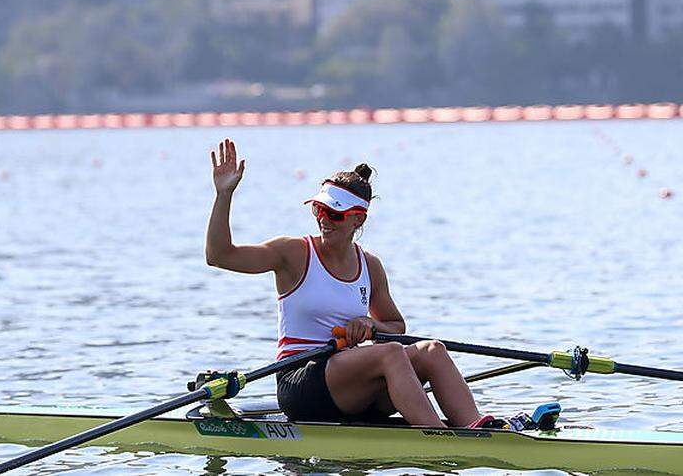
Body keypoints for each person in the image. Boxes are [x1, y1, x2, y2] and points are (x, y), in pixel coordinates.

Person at [205, 138, 496, 428]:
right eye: (319, 210)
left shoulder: (370, 265)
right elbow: (219, 256)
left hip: (351, 384)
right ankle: (438, 437)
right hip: (300, 382)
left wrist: (371, 326)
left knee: (433, 350)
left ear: (357, 220)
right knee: (391, 353)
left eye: (334, 214)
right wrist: (224, 194)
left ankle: (477, 427)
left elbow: (395, 326)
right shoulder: (292, 254)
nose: (324, 220)